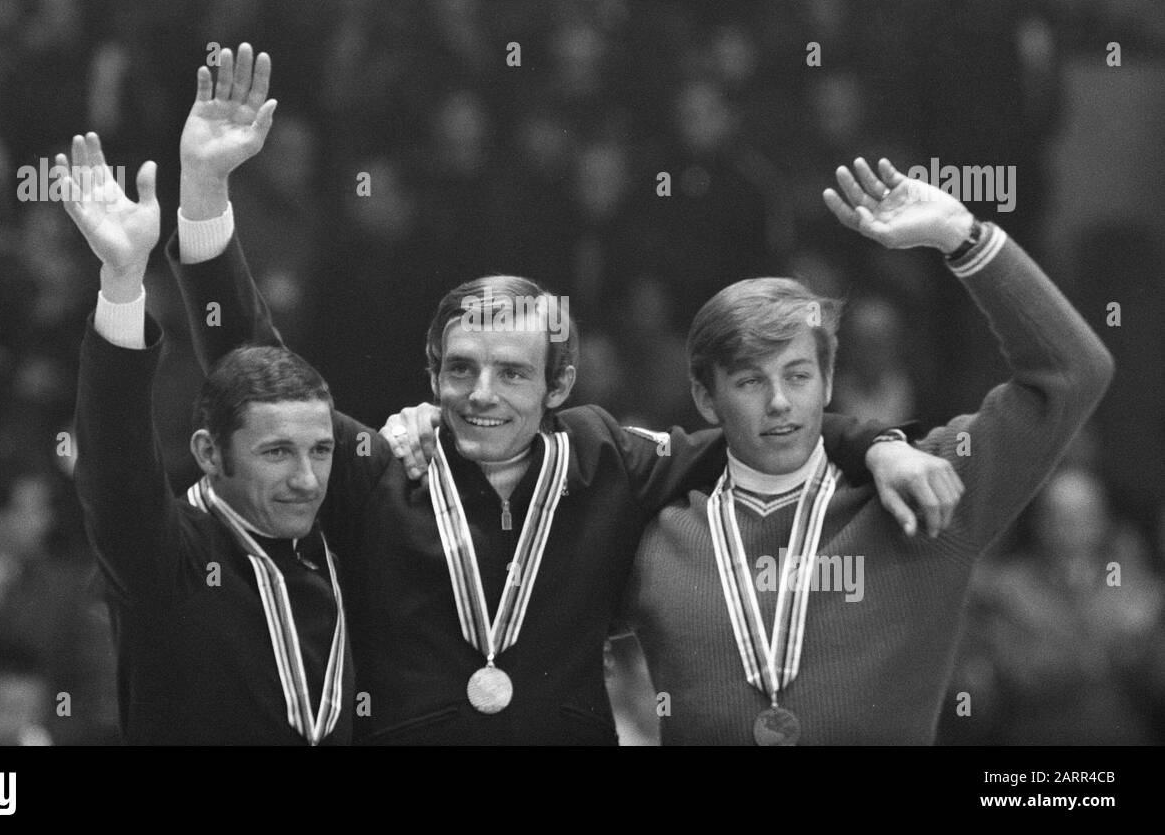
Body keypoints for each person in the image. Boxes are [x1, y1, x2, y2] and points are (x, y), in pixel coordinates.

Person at [171, 46, 960, 744]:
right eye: (460, 369)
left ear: (560, 384)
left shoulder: (610, 460)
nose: (482, 394)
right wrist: (206, 188)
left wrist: (878, 443)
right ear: (431, 372)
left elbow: (763, 428)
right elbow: (253, 373)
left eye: (513, 373)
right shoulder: (382, 464)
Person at [618, 157, 1113, 744]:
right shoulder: (653, 530)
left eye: (798, 375)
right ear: (705, 396)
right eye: (751, 381)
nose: (779, 402)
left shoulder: (922, 493)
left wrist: (964, 238)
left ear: (828, 382)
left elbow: (1073, 371)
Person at [64, 133, 353, 745]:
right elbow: (115, 466)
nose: (306, 478)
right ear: (207, 453)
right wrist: (122, 282)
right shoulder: (169, 555)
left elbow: (249, 350)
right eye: (276, 452)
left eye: (320, 450)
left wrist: (204, 192)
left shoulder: (339, 541)